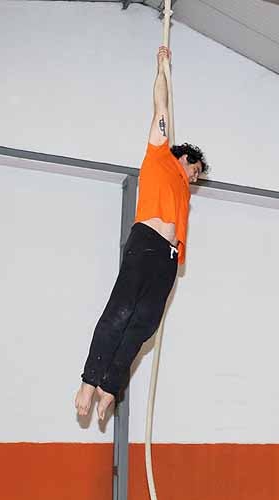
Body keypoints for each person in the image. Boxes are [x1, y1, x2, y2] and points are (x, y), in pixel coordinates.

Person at [74, 46, 208, 421]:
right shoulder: (159, 155)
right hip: (147, 244)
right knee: (120, 313)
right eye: (195, 168)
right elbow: (161, 108)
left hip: (168, 259)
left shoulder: (184, 191)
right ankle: (89, 380)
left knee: (144, 325)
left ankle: (109, 387)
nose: (196, 177)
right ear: (183, 157)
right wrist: (162, 69)